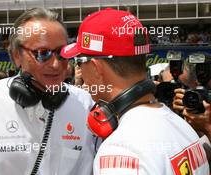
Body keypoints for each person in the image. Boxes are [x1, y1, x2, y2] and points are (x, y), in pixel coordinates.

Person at [61, 8, 209, 174]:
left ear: (96, 68)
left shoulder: (120, 151)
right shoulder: (182, 125)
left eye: (79, 61)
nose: (78, 68)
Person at [0, 8, 95, 175]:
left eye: (61, 53)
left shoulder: (86, 104)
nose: (55, 64)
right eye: (42, 53)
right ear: (16, 55)